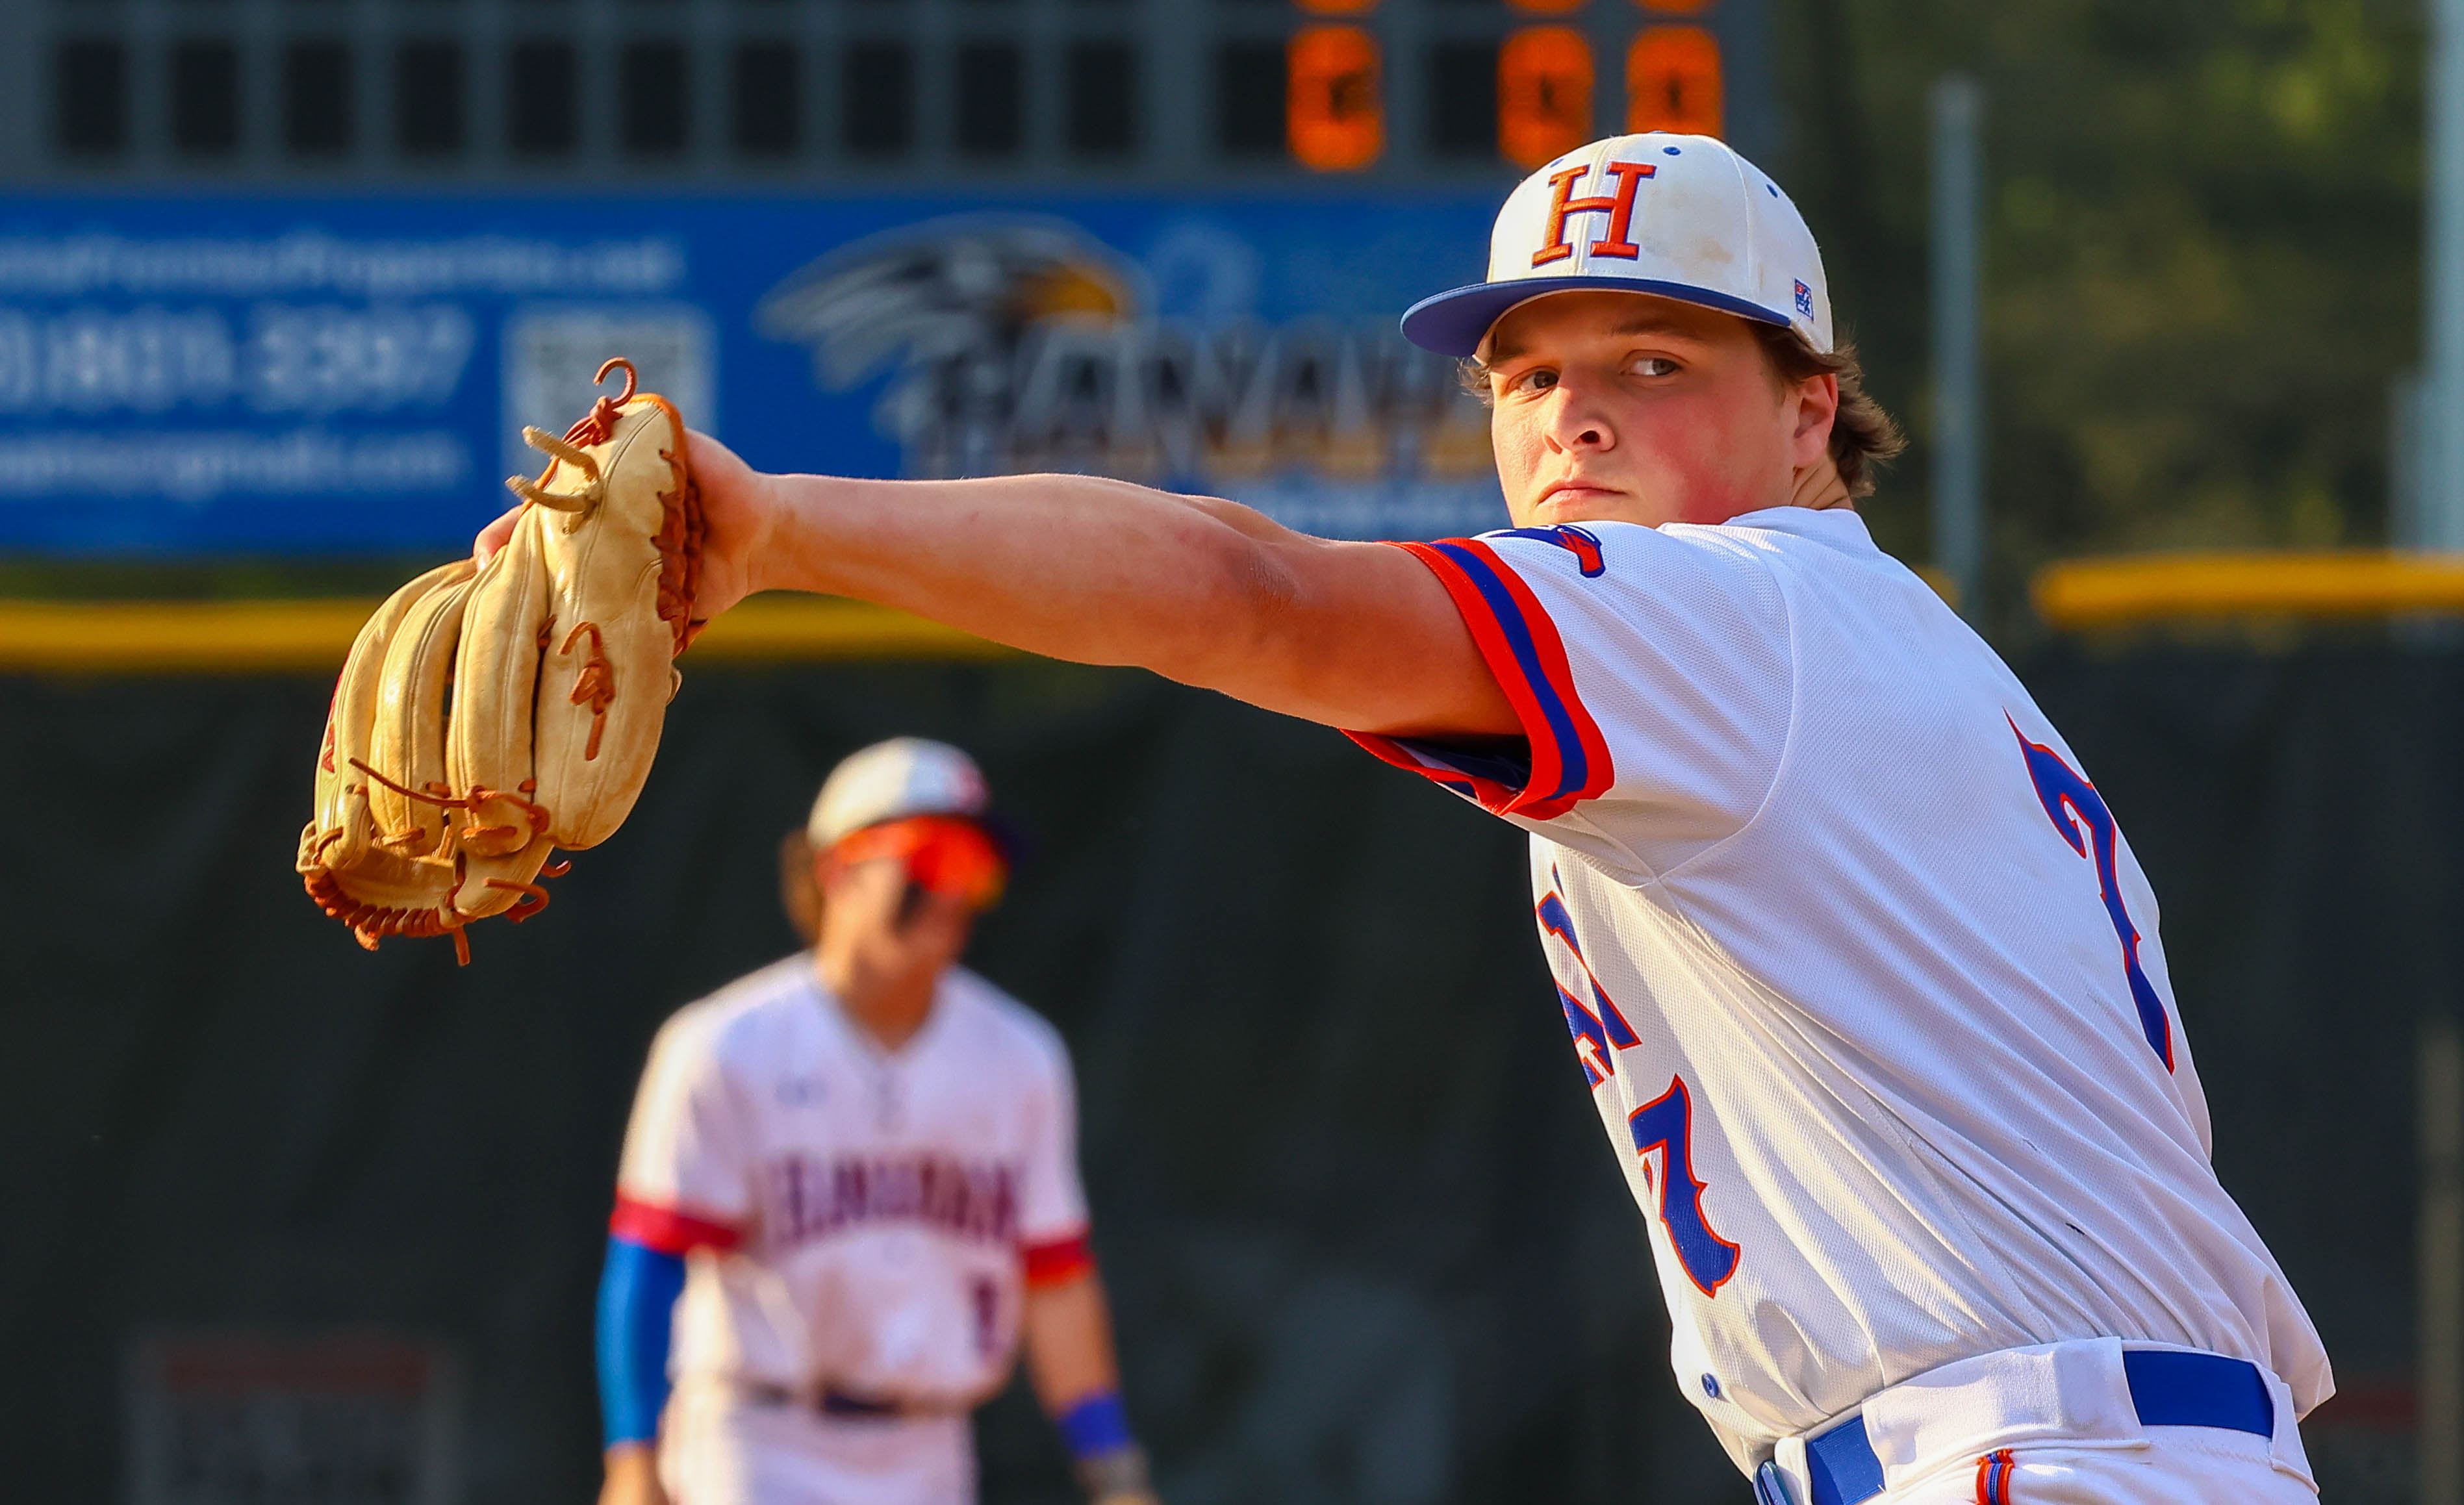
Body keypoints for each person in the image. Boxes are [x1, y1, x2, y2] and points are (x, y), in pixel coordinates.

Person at [502, 133, 2331, 1505]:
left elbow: (1251, 597)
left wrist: (785, 531)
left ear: (1810, 415)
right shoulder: (1887, 657)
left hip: (2033, 1454)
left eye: (1655, 363)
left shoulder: (1735, 615)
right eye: (1528, 373)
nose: (1573, 418)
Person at [595, 737, 1158, 1505]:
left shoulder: (1020, 1056)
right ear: (838, 871)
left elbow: (1055, 1276)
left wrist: (1113, 1471)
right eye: (931, 860)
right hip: (759, 1441)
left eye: (977, 867)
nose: (956, 893)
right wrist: (633, 1457)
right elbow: (650, 1259)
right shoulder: (724, 1044)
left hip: (932, 1448)